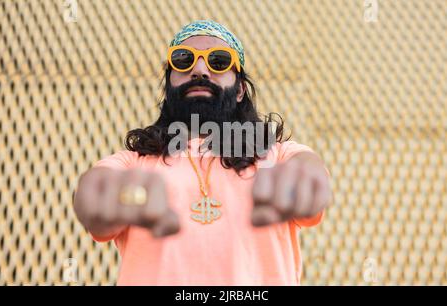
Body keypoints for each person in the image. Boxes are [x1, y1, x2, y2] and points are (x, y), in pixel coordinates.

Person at [73, 20, 332, 285]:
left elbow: (310, 179)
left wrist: (306, 178)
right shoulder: (131, 163)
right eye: (183, 61)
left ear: (240, 89)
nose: (199, 70)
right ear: (168, 88)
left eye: (218, 61)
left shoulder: (278, 156)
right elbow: (96, 203)